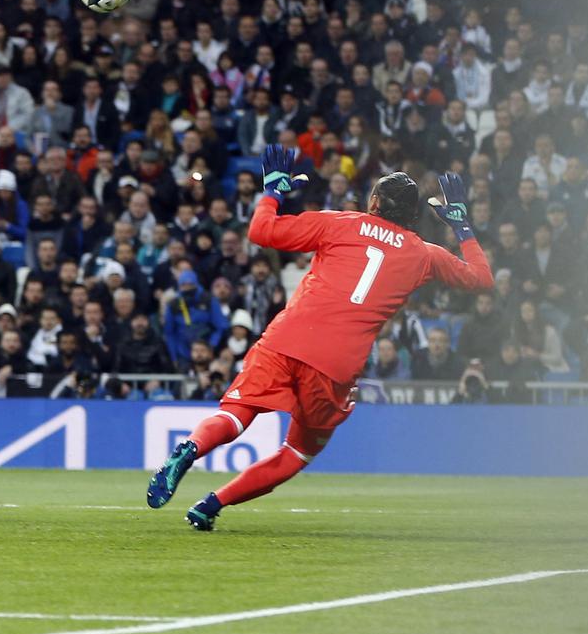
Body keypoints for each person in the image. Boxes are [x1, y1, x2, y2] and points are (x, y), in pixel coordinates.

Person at [146, 146, 492, 531]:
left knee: (236, 413)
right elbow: (482, 279)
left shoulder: (339, 222)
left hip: (286, 338)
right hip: (336, 364)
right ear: (413, 215)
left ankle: (191, 448)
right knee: (297, 452)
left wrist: (273, 192)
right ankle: (211, 505)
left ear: (374, 202)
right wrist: (462, 226)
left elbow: (261, 231)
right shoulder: (426, 256)